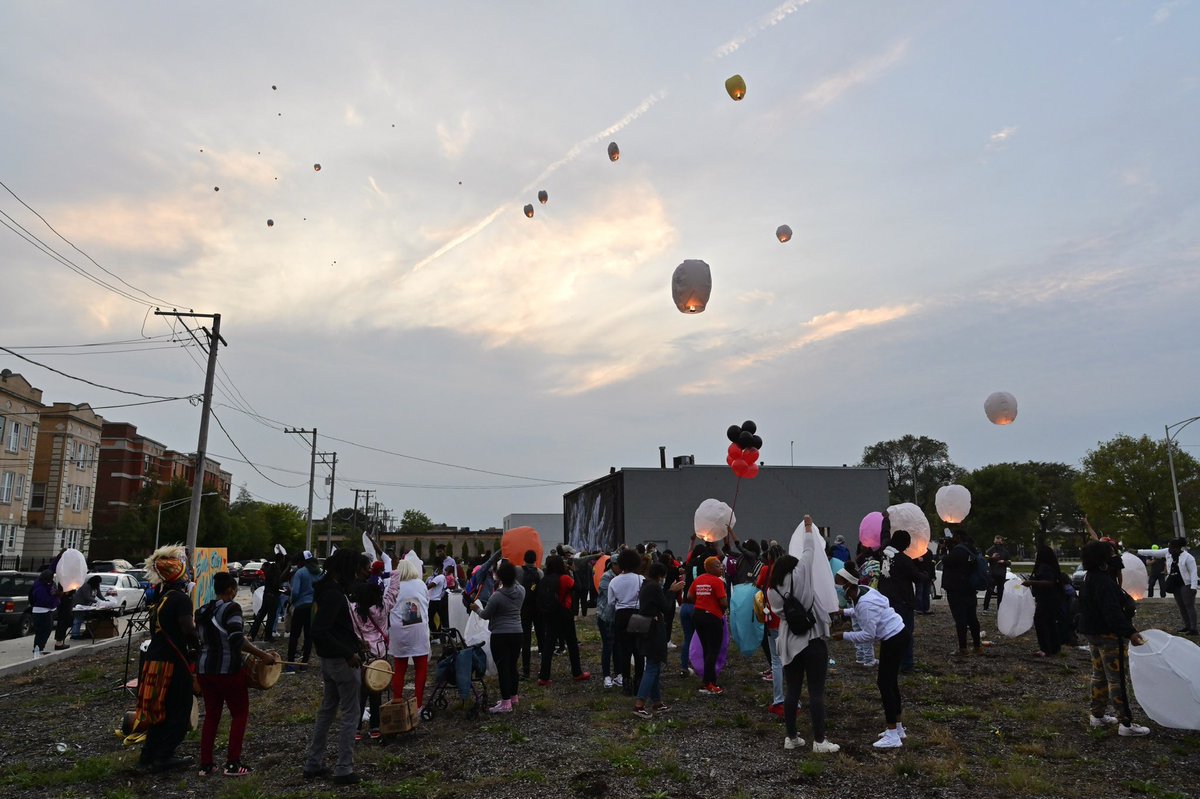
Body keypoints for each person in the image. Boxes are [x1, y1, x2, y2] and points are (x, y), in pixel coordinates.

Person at [196, 572, 279, 777]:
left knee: (211, 716)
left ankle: (206, 765)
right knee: (239, 714)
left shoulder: (203, 610)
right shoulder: (232, 607)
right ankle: (233, 764)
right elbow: (236, 639)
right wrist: (263, 655)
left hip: (205, 670)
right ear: (232, 590)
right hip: (228, 670)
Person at [768, 526, 840, 754]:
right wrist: (808, 528)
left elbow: (779, 614)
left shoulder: (772, 590)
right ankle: (819, 741)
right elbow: (810, 550)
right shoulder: (801, 574)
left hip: (788, 641)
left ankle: (791, 737)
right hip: (812, 637)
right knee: (816, 691)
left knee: (792, 692)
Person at [303, 549, 366, 785]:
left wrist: (353, 641)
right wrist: (348, 652)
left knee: (327, 711)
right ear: (343, 571)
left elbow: (331, 628)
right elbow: (319, 630)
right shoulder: (334, 595)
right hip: (341, 663)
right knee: (351, 714)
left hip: (329, 661)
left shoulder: (325, 590)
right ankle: (344, 768)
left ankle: (313, 763)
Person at [832, 562, 909, 749]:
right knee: (890, 683)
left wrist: (843, 636)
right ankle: (898, 728)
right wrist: (843, 612)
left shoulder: (864, 603)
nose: (838, 590)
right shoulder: (864, 590)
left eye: (840, 585)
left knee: (884, 684)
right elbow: (866, 609)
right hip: (898, 633)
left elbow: (868, 635)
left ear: (848, 586)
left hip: (893, 639)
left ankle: (892, 734)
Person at [1077, 541, 1150, 736]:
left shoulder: (1088, 578)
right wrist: (1130, 632)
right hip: (1109, 635)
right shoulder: (1103, 581)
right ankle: (1125, 724)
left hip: (1092, 633)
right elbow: (1112, 612)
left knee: (1098, 674)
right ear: (1102, 560)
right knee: (1116, 679)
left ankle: (1097, 715)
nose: (1114, 559)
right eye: (1110, 556)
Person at [137, 545, 200, 773]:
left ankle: (148, 756)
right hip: (173, 662)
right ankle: (164, 756)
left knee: (157, 710)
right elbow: (188, 629)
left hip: (155, 659)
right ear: (180, 574)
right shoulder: (180, 599)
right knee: (179, 710)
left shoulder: (162, 598)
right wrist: (198, 646)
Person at [350, 567, 396, 741]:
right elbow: (395, 583)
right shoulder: (383, 608)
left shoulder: (354, 610)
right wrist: (381, 574)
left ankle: (356, 729)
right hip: (379, 655)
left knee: (360, 693)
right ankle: (376, 727)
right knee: (376, 691)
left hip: (362, 655)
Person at [475, 561, 525, 713]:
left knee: (503, 668)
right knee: (512, 665)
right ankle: (513, 696)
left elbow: (485, 615)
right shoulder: (521, 590)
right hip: (517, 632)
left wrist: (476, 609)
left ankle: (505, 703)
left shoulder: (497, 596)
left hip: (500, 634)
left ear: (500, 577)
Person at [633, 562, 680, 717]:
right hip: (653, 628)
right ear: (660, 576)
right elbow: (666, 607)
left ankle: (657, 702)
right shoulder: (654, 587)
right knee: (653, 666)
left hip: (643, 625)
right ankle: (639, 705)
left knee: (655, 667)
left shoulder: (646, 585)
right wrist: (672, 591)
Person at [536, 554, 591, 684]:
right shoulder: (564, 578)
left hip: (549, 614)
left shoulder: (544, 579)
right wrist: (573, 571)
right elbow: (578, 587)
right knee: (572, 643)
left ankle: (543, 676)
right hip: (564, 613)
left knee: (549, 645)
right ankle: (577, 672)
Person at [387, 559, 432, 711]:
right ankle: (418, 704)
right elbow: (427, 602)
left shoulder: (393, 585)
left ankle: (397, 701)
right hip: (418, 630)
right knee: (421, 668)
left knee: (400, 669)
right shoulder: (420, 584)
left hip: (399, 632)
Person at [877, 529, 919, 672]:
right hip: (902, 601)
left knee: (887, 632)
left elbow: (884, 536)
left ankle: (890, 662)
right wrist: (925, 573)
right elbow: (917, 577)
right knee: (905, 633)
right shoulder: (903, 560)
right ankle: (906, 664)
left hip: (885, 600)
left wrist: (886, 521)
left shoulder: (883, 554)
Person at [1137, 539, 1197, 635]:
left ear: (1177, 548)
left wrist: (1193, 587)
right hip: (1174, 583)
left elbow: (1193, 573)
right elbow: (1154, 552)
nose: (1169, 550)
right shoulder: (1168, 552)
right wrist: (1138, 551)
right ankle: (1187, 626)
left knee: (1189, 606)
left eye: (1171, 548)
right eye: (1169, 547)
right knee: (1181, 606)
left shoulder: (1188, 558)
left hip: (1186, 584)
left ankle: (1193, 628)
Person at [688, 556, 729, 695]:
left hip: (698, 615)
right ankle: (709, 683)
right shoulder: (717, 582)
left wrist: (701, 601)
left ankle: (708, 680)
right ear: (710, 568)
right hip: (713, 617)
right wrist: (719, 608)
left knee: (706, 648)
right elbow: (723, 602)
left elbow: (689, 595)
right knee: (713, 650)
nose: (722, 567)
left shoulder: (699, 579)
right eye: (718, 565)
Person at [609, 549, 645, 697]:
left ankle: (626, 682)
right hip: (637, 614)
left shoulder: (614, 580)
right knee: (639, 650)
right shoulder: (641, 579)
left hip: (621, 615)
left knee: (624, 650)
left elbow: (611, 602)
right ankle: (639, 682)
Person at [942, 529, 984, 656]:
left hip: (957, 589)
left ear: (958, 537)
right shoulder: (972, 549)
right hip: (970, 588)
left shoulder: (959, 551)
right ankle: (977, 646)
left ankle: (963, 648)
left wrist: (945, 550)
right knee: (972, 618)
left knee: (960, 619)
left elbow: (946, 561)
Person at [1023, 545, 1066, 657]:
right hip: (1052, 598)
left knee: (1040, 621)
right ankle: (1054, 647)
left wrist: (1032, 583)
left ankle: (1045, 648)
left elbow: (1049, 582)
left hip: (1047, 598)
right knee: (1050, 622)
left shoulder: (1044, 567)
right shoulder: (1051, 566)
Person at [286, 552, 324, 672]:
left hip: (301, 606)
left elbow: (295, 592)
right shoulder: (321, 573)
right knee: (309, 636)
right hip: (314, 608)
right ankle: (304, 664)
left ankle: (290, 664)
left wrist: (292, 601)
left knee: (294, 635)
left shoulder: (300, 572)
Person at [518, 551, 543, 680]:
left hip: (524, 609)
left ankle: (526, 672)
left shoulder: (519, 571)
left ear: (524, 558)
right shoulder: (539, 573)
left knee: (526, 640)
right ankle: (544, 669)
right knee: (541, 638)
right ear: (535, 559)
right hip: (538, 608)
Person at [596, 556, 619, 687]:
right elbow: (612, 596)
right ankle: (606, 676)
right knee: (607, 646)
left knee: (618, 646)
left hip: (617, 616)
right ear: (613, 565)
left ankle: (618, 674)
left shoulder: (620, 576)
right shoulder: (606, 577)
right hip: (605, 617)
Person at [29, 570, 59, 657]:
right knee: (44, 631)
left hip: (40, 610)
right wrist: (56, 600)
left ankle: (39, 649)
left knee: (41, 631)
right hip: (42, 611)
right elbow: (45, 601)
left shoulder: (39, 585)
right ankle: (38, 649)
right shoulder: (41, 588)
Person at [983, 536, 1011, 611]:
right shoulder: (990, 550)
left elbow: (1009, 562)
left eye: (999, 542)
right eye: (996, 542)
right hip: (992, 574)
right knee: (989, 591)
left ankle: (1000, 608)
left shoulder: (1005, 551)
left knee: (1001, 592)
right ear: (994, 542)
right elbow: (985, 559)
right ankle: (985, 608)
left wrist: (1004, 562)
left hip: (1001, 574)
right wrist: (992, 558)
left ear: (1002, 542)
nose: (998, 544)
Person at [70, 574, 103, 639]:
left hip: (86, 605)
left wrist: (105, 601)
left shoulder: (96, 586)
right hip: (78, 604)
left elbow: (99, 595)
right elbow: (87, 597)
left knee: (84, 618)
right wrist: (97, 602)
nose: (99, 584)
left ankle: (83, 633)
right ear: (95, 582)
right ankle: (74, 634)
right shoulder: (86, 586)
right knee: (78, 618)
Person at [426, 566, 448, 632]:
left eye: (433, 569)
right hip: (437, 600)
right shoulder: (441, 577)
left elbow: (429, 586)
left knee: (430, 618)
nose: (433, 570)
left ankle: (436, 634)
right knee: (440, 618)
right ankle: (440, 633)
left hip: (434, 600)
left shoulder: (439, 577)